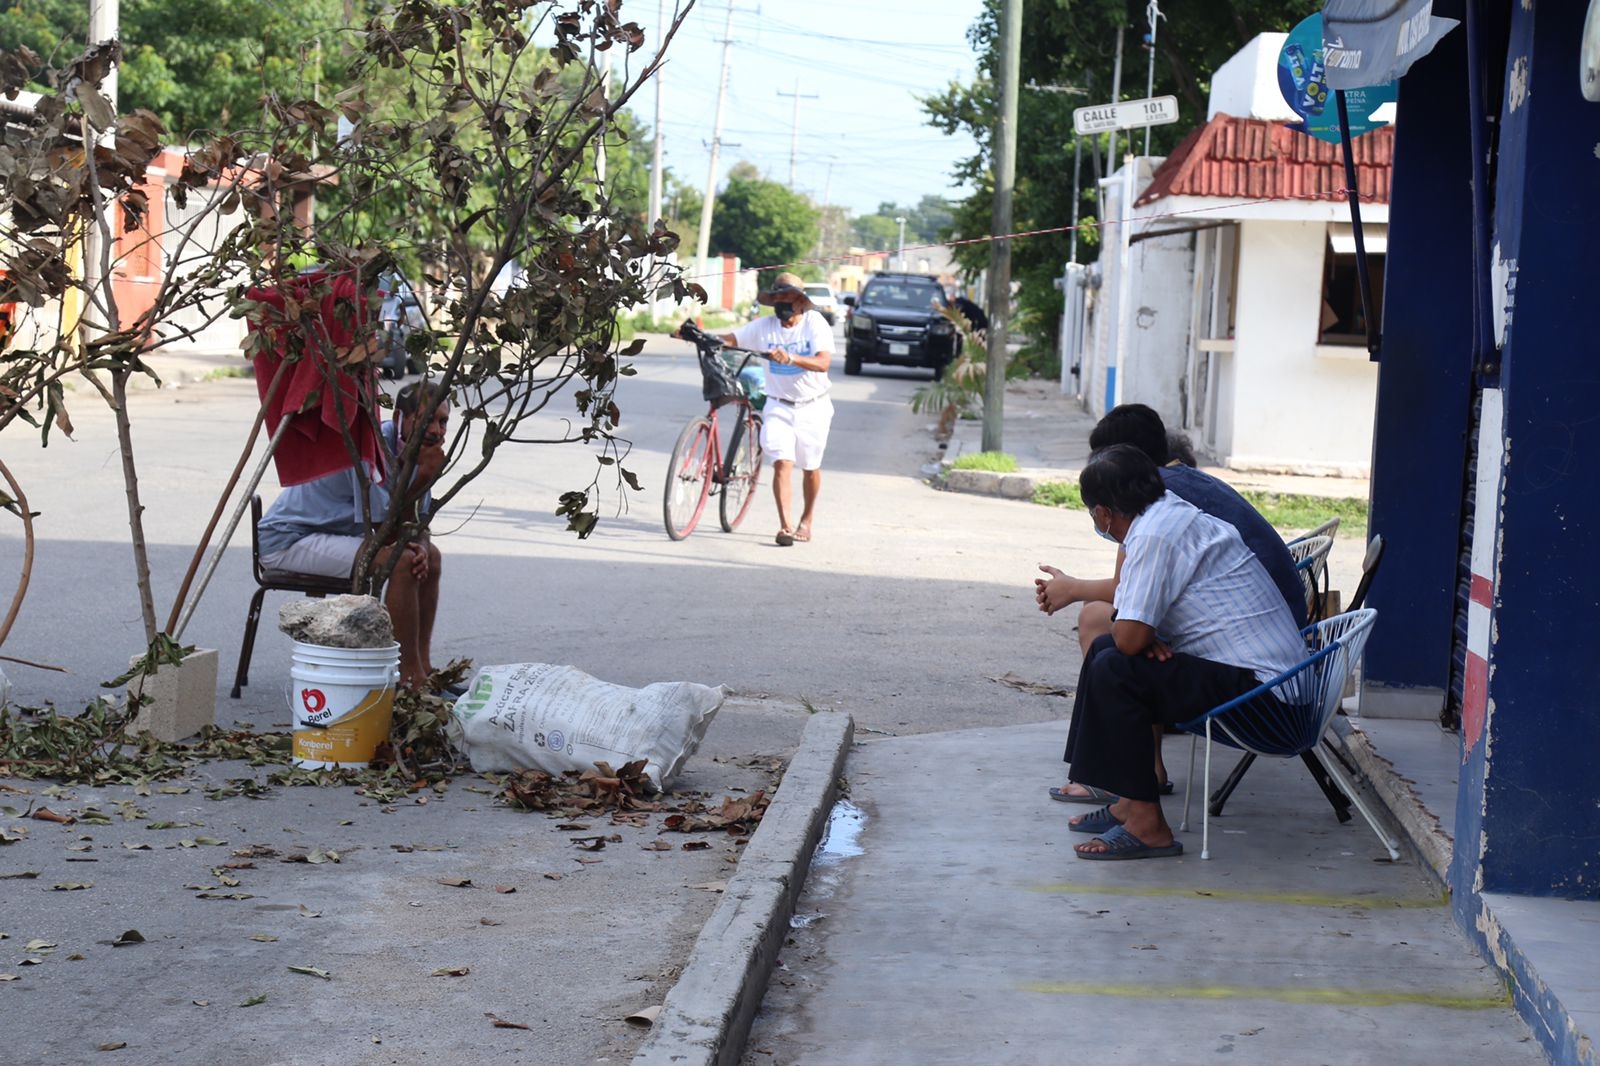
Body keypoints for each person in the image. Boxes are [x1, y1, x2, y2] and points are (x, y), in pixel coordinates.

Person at [1037, 403, 1307, 802]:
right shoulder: (1167, 496)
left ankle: (1144, 787)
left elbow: (1127, 608)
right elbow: (1136, 602)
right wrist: (1142, 630)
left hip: (1271, 696)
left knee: (1113, 652)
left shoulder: (1154, 520)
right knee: (1110, 645)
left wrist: (1085, 596)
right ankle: (1109, 780)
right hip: (1271, 656)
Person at [258, 381, 451, 691]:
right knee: (400, 561)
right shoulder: (372, 447)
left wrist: (424, 547)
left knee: (431, 556)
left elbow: (417, 524)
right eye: (425, 418)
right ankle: (406, 676)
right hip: (290, 540)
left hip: (335, 537)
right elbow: (386, 533)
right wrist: (425, 478)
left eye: (443, 421)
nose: (436, 430)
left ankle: (423, 667)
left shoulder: (421, 451)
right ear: (400, 417)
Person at [720, 272, 834, 546]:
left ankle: (806, 519)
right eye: (778, 297)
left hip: (813, 406)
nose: (783, 302)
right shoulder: (764, 327)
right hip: (778, 405)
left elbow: (823, 363)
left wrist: (792, 357)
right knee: (782, 463)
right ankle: (785, 527)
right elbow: (732, 339)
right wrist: (698, 336)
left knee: (810, 467)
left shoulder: (814, 324)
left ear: (800, 302)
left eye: (788, 297)